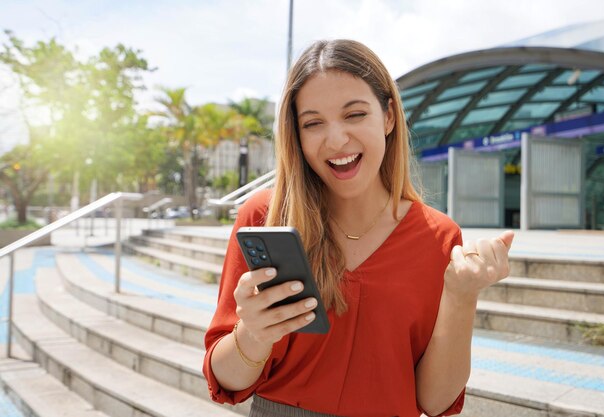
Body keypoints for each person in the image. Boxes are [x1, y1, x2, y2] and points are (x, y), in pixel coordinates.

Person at [203, 39, 514, 417]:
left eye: (354, 115)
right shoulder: (265, 216)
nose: (336, 140)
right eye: (313, 123)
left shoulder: (439, 237)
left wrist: (462, 296)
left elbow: (436, 402)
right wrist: (253, 334)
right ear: (296, 137)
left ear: (388, 117)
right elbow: (226, 379)